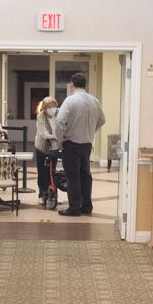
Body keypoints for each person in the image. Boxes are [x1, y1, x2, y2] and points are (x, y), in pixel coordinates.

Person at [54, 72, 105, 218]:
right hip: (87, 144)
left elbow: (59, 122)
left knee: (72, 176)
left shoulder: (70, 101)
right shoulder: (94, 100)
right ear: (85, 84)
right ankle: (87, 206)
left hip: (71, 143)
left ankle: (74, 207)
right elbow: (102, 120)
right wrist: (91, 131)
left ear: (72, 84)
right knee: (86, 175)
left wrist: (60, 138)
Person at [33, 96, 61, 207]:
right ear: (44, 108)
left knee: (52, 172)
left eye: (53, 106)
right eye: (49, 107)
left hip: (54, 147)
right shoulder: (41, 116)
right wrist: (54, 137)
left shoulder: (59, 113)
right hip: (42, 147)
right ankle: (42, 195)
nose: (52, 109)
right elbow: (42, 132)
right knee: (42, 172)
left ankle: (53, 195)